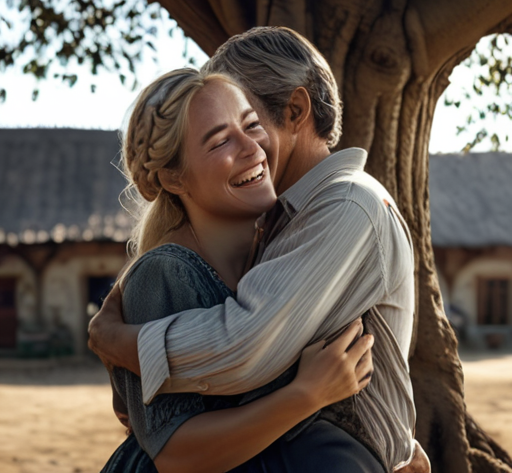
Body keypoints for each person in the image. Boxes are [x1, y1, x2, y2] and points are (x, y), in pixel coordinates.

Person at [90, 27, 430, 472]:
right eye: (219, 138)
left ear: (294, 110)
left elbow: (243, 346)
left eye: (251, 122)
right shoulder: (270, 230)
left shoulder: (343, 205)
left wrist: (118, 342)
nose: (251, 148)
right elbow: (174, 429)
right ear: (175, 176)